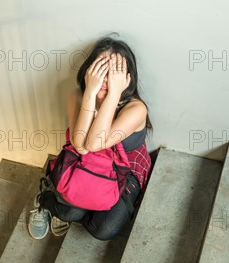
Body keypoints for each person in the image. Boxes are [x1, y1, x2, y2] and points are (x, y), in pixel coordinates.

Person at [29, 35, 153, 241]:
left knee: (103, 229)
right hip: (83, 161)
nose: (106, 79)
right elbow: (81, 146)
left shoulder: (136, 109)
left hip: (125, 169)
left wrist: (113, 94)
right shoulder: (78, 96)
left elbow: (94, 143)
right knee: (70, 212)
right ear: (90, 70)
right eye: (101, 70)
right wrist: (89, 93)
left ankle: (84, 205)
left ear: (126, 77)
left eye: (114, 73)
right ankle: (48, 202)